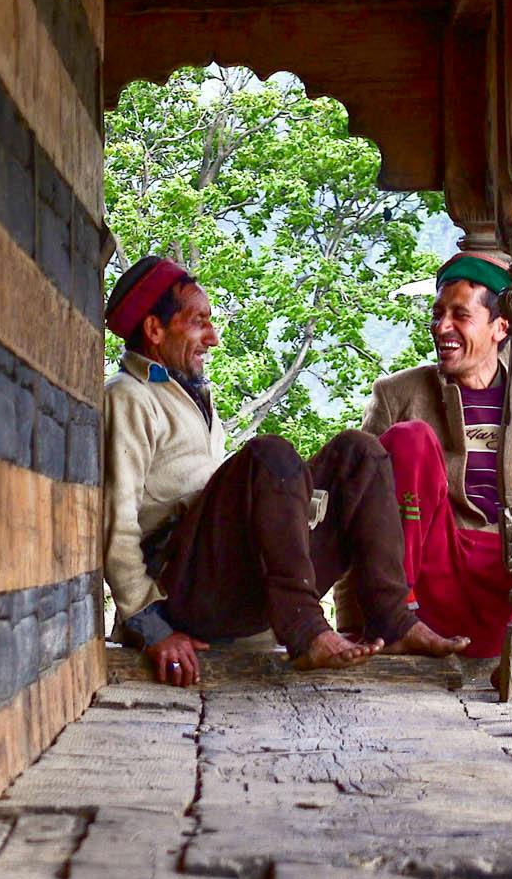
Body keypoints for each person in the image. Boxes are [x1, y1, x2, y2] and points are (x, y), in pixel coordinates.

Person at [101, 254, 469, 688]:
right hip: (182, 593)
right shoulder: (127, 397)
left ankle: (392, 619)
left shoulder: (190, 391)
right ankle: (305, 629)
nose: (213, 339)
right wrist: (151, 628)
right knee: (268, 455)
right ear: (154, 330)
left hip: (233, 584)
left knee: (359, 453)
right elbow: (115, 524)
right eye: (199, 322)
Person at [354, 250, 512, 663]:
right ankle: (394, 616)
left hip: (506, 585)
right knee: (411, 439)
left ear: (501, 327)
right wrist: (351, 623)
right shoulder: (398, 394)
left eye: (460, 316)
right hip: (429, 579)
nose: (442, 327)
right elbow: (357, 504)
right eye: (437, 313)